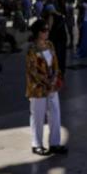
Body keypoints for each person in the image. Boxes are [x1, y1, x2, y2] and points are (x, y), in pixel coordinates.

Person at [26, 20, 66, 156]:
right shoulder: (31, 50)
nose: (47, 32)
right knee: (37, 117)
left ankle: (55, 143)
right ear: (37, 32)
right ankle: (36, 144)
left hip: (52, 87)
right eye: (44, 30)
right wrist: (47, 83)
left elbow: (55, 63)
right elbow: (33, 71)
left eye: (48, 29)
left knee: (55, 115)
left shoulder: (50, 45)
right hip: (38, 89)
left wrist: (54, 78)